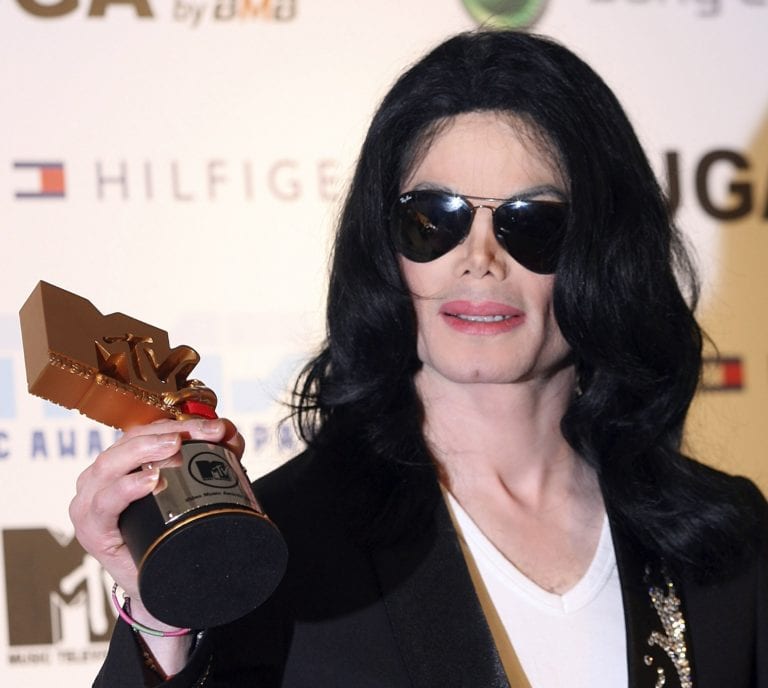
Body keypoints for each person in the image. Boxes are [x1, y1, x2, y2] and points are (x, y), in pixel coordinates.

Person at [70, 30, 767, 688]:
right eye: (434, 219)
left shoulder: (723, 538)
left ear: (606, 250)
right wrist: (164, 616)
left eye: (532, 223)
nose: (479, 259)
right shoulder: (279, 545)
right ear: (385, 246)